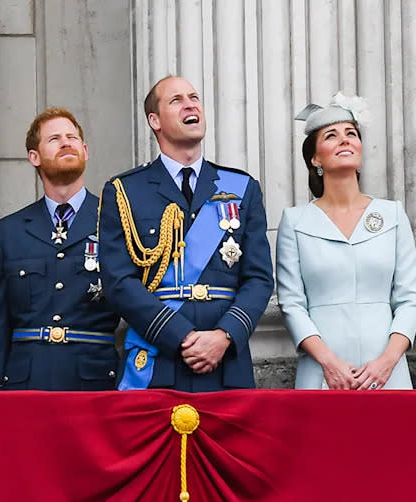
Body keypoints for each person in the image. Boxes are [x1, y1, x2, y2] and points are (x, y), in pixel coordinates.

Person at [99, 76, 274, 392]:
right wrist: (180, 335)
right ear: (155, 121)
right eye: (176, 100)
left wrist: (224, 336)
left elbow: (259, 279)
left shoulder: (241, 188)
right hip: (158, 356)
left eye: (194, 97)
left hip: (226, 360)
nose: (191, 104)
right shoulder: (124, 190)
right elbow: (119, 282)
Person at [277, 93, 416, 390]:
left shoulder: (392, 214)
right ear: (315, 158)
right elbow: (292, 304)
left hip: (387, 373)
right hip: (322, 373)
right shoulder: (295, 221)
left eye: (351, 133)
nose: (344, 140)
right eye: (331, 135)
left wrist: (386, 363)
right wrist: (329, 363)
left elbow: (409, 299)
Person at [0, 107, 120, 391]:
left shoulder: (116, 221)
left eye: (72, 137)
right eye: (54, 139)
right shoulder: (9, 231)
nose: (66, 142)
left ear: (85, 150)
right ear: (34, 157)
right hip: (27, 383)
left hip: (96, 382)